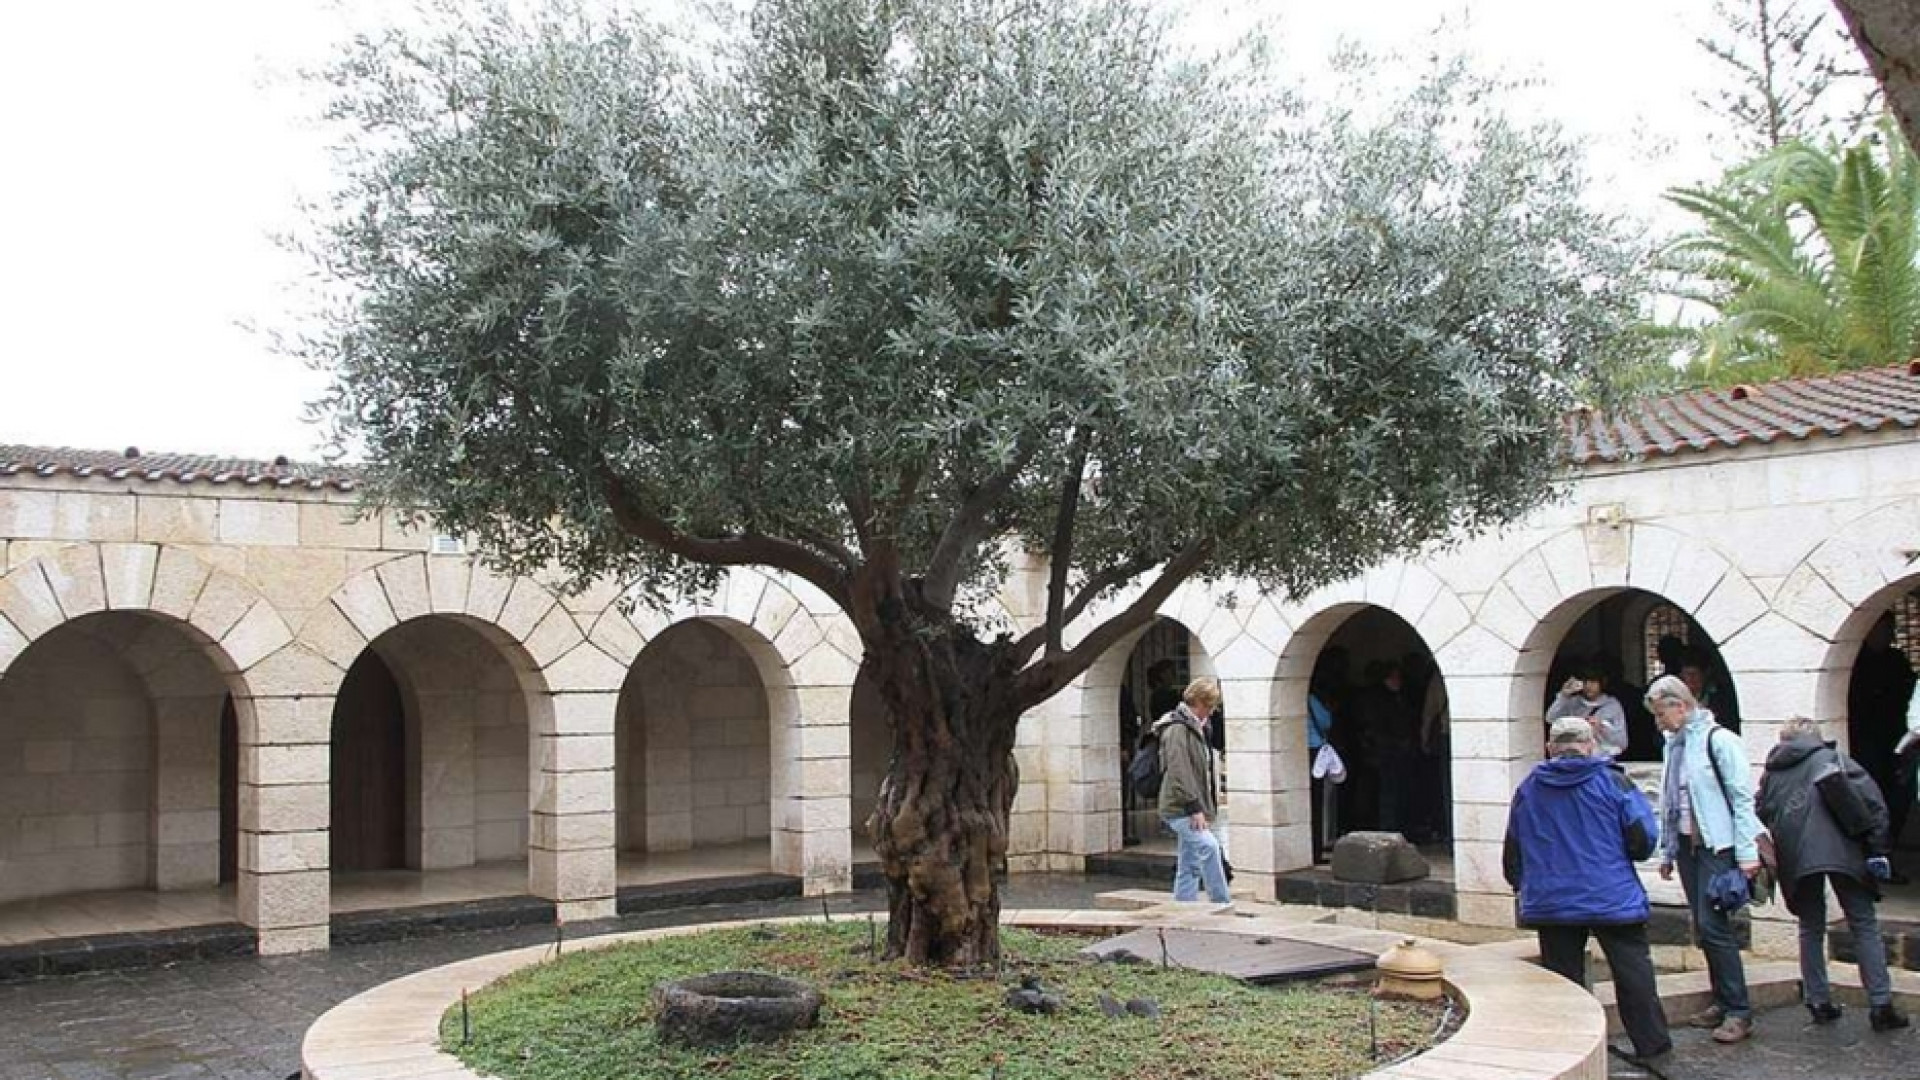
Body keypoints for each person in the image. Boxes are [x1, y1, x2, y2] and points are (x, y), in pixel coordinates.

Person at [1504, 716, 1671, 1067]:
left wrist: (1523, 885)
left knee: (1564, 984)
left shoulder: (1529, 789)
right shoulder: (1613, 782)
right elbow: (1643, 840)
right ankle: (1653, 1048)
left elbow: (1513, 849)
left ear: (1550, 747)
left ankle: (1573, 1052)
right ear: (1590, 744)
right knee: (1634, 976)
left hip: (1552, 900)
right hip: (1611, 895)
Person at [1756, 716, 1910, 1032]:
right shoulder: (1834, 759)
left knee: (1810, 927)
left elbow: (1762, 810)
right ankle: (1881, 1005)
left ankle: (1818, 1001)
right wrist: (1878, 849)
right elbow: (1873, 805)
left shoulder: (1773, 773)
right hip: (1844, 853)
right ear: (1815, 736)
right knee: (1863, 924)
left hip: (1796, 857)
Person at [1648, 674, 1762, 1044]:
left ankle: (1738, 1010)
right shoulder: (1674, 745)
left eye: (1661, 714)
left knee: (1714, 926)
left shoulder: (1720, 741)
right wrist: (1668, 850)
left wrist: (1747, 853)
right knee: (1704, 924)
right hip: (1687, 846)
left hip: (1717, 846)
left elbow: (1742, 798)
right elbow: (1671, 800)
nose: (1658, 722)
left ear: (1680, 707)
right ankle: (1722, 999)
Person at [1154, 676, 1230, 903]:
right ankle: (1221, 901)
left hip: (1189, 805)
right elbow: (1180, 770)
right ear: (1199, 702)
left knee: (1189, 863)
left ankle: (1184, 904)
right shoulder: (1178, 729)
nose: (1211, 711)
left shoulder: (1196, 727)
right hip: (1181, 806)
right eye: (1210, 706)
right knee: (1209, 848)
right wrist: (1194, 807)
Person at [1546, 660, 1628, 759]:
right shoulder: (1572, 702)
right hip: (1576, 757)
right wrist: (1563, 696)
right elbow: (1550, 719)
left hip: (1603, 758)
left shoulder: (1612, 705)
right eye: (1585, 682)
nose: (1588, 686)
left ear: (1602, 682)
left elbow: (1622, 742)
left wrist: (1602, 727)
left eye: (1593, 682)